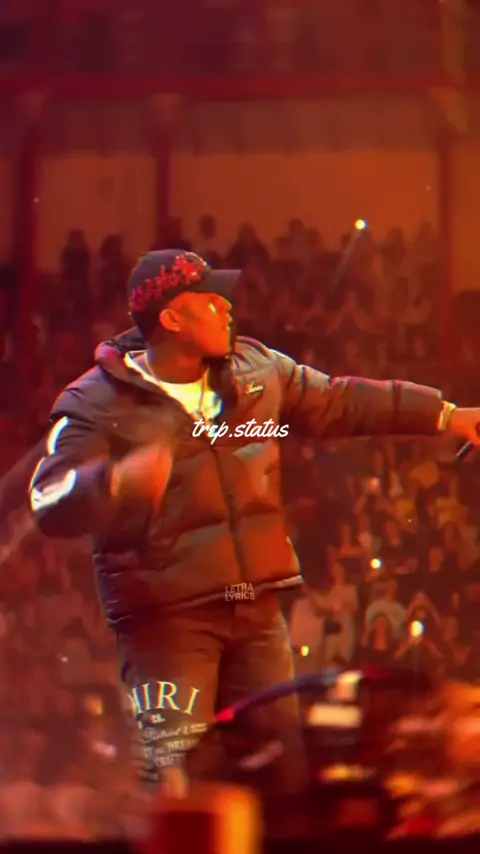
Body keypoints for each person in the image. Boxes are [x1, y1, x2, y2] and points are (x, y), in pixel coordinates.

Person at [27, 248, 480, 792]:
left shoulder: (257, 368)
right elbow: (48, 501)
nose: (227, 307)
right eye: (209, 300)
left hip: (256, 609)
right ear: (171, 318)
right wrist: (115, 482)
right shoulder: (95, 401)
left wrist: (445, 416)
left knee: (280, 776)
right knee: (179, 781)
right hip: (167, 623)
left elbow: (340, 401)